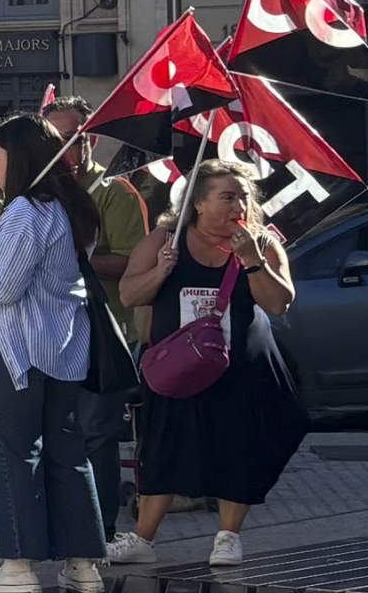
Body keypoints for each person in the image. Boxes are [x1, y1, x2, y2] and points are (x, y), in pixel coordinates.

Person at [107, 160, 303, 567]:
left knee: (239, 447)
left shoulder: (261, 242)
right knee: (164, 449)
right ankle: (144, 539)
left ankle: (228, 538)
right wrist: (161, 270)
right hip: (178, 365)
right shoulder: (166, 238)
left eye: (245, 196)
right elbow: (129, 295)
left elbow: (279, 302)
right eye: (228, 196)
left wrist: (251, 260)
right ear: (197, 202)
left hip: (241, 365)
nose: (240, 205)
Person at [0, 113, 105, 593]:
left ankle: (18, 564)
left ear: (17, 157)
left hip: (16, 347)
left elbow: (1, 287)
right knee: (67, 453)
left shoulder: (28, 209)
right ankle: (82, 563)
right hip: (64, 348)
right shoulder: (70, 207)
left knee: (10, 452)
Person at [41, 96, 150, 543]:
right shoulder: (38, 190)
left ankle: (100, 529)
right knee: (54, 436)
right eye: (54, 140)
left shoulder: (113, 192)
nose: (65, 148)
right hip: (49, 332)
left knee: (95, 434)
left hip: (102, 331)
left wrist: (74, 257)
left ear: (90, 140)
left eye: (72, 138)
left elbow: (132, 261)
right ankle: (65, 524)